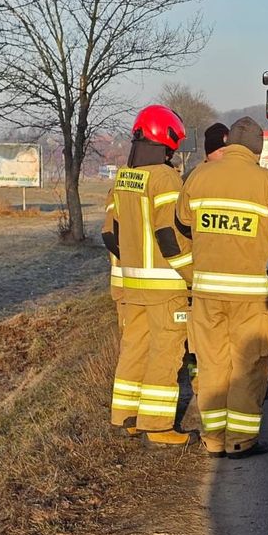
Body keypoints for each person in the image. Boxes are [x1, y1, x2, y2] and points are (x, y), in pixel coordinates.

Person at [176, 117, 268, 459]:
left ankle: (214, 439)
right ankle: (239, 441)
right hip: (251, 297)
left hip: (206, 295)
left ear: (229, 142)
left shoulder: (198, 177)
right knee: (248, 366)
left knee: (212, 364)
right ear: (257, 150)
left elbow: (182, 224)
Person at [102, 105, 197, 447]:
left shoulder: (125, 176)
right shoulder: (165, 177)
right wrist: (190, 274)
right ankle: (157, 426)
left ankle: (127, 417)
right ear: (165, 139)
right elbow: (169, 235)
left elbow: (109, 234)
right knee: (166, 351)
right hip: (164, 287)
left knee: (134, 348)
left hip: (131, 285)